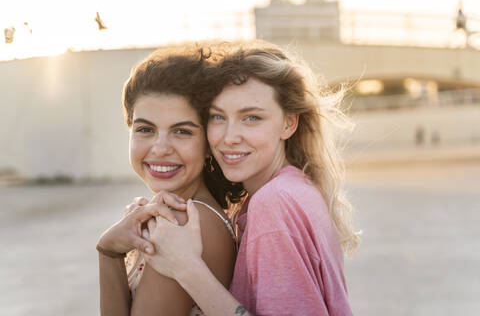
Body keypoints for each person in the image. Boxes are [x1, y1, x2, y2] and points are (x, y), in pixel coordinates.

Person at [143, 41, 361, 316]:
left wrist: (185, 267)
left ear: (288, 123)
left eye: (251, 118)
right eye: (218, 117)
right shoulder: (296, 188)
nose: (229, 137)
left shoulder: (274, 202)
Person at [95, 45, 243, 316]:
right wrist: (110, 250)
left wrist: (107, 252)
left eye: (182, 131)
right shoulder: (189, 212)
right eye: (145, 129)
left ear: (210, 142)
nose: (160, 147)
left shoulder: (182, 222)